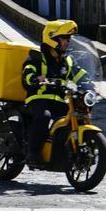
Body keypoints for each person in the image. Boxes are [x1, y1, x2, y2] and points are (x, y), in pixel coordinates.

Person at [21, 19, 88, 165]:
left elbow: (79, 74)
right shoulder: (37, 57)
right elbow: (27, 72)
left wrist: (90, 85)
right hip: (39, 98)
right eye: (64, 38)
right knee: (44, 117)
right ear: (52, 39)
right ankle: (33, 153)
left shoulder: (67, 60)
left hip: (60, 100)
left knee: (76, 116)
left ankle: (65, 151)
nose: (67, 42)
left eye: (68, 39)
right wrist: (33, 79)